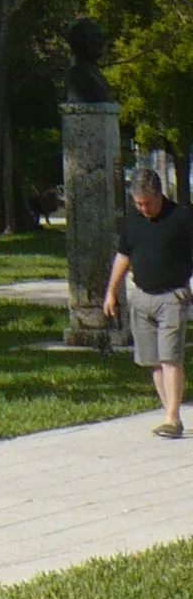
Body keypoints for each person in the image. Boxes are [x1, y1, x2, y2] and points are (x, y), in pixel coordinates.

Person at [103, 162, 193, 437]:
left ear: (159, 194)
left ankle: (173, 418)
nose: (143, 208)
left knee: (170, 357)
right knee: (153, 360)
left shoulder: (182, 218)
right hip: (141, 297)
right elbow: (123, 256)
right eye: (138, 204)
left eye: (147, 203)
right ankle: (169, 413)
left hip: (172, 296)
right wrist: (111, 291)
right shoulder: (133, 224)